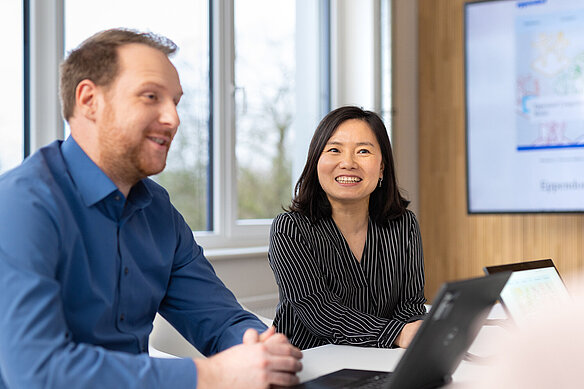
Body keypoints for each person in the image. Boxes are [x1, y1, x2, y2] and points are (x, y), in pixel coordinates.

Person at [0, 28, 301, 389]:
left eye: (175, 101)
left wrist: (260, 346)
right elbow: (38, 371)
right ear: (89, 100)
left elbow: (221, 321)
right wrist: (212, 375)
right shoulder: (20, 204)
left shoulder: (159, 210)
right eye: (151, 97)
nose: (173, 119)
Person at [268, 106, 426, 350]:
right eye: (334, 150)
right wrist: (397, 334)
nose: (348, 163)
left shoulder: (403, 224)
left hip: (382, 361)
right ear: (316, 162)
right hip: (307, 365)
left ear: (382, 167)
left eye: (363, 151)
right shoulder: (290, 229)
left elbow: (410, 305)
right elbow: (319, 313)